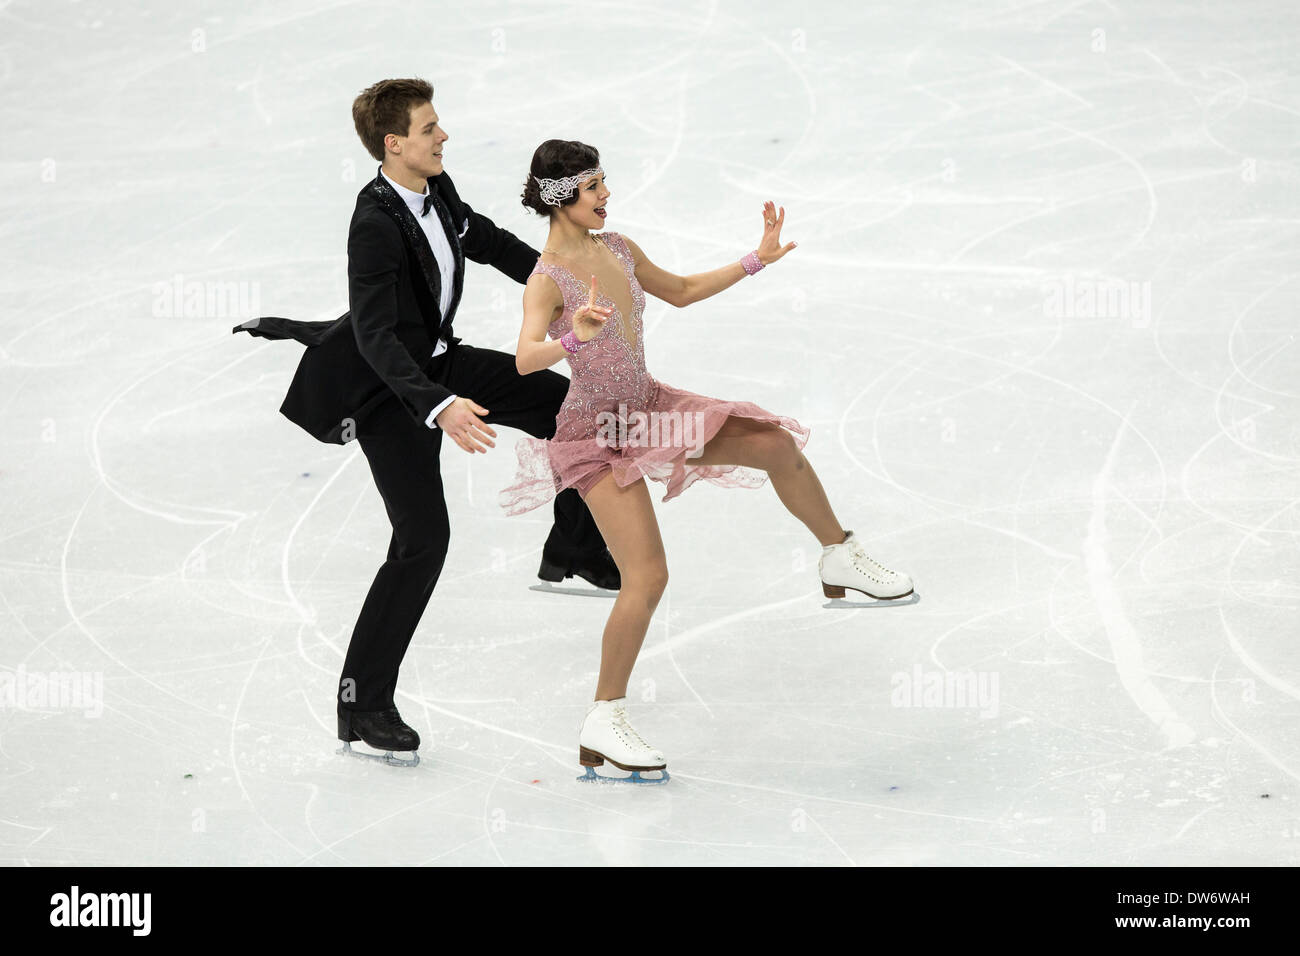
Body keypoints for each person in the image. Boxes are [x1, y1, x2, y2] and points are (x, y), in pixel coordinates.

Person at [500, 140, 915, 782]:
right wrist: (570, 336)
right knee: (649, 577)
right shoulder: (547, 277)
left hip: (647, 405)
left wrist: (757, 260)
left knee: (774, 442)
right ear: (562, 196)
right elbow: (526, 358)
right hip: (596, 435)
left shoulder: (619, 249)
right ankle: (602, 721)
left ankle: (839, 555)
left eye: (606, 182)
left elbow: (685, 291)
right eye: (594, 187)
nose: (607, 195)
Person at [233, 81, 619, 768]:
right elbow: (378, 337)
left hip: (440, 359)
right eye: (431, 127)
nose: (444, 137)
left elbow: (485, 238)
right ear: (395, 143)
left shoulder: (434, 187)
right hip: (391, 390)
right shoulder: (375, 225)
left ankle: (575, 546)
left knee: (572, 412)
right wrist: (436, 404)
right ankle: (364, 703)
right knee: (423, 541)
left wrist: (564, 286)